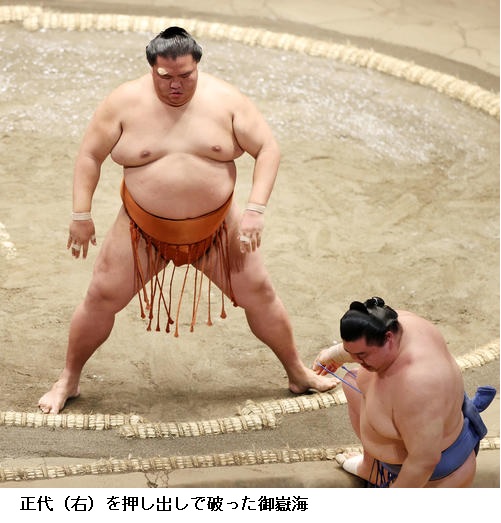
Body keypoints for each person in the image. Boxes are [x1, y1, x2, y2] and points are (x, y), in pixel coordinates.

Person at [38, 26, 338, 414]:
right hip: (142, 229)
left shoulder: (225, 100)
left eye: (186, 75)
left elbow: (267, 148)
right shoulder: (123, 103)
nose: (176, 85)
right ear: (152, 68)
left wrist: (255, 210)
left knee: (260, 293)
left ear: (197, 65)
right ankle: (69, 379)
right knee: (100, 296)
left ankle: (297, 373)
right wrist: (81, 214)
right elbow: (89, 156)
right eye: (165, 77)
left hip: (219, 229)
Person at [313, 297, 496, 487]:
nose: (356, 359)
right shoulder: (397, 322)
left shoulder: (417, 385)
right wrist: (334, 354)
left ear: (388, 338)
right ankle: (371, 466)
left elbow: (424, 461)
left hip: (437, 475)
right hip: (407, 450)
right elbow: (362, 345)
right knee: (353, 381)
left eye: (362, 355)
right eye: (351, 352)